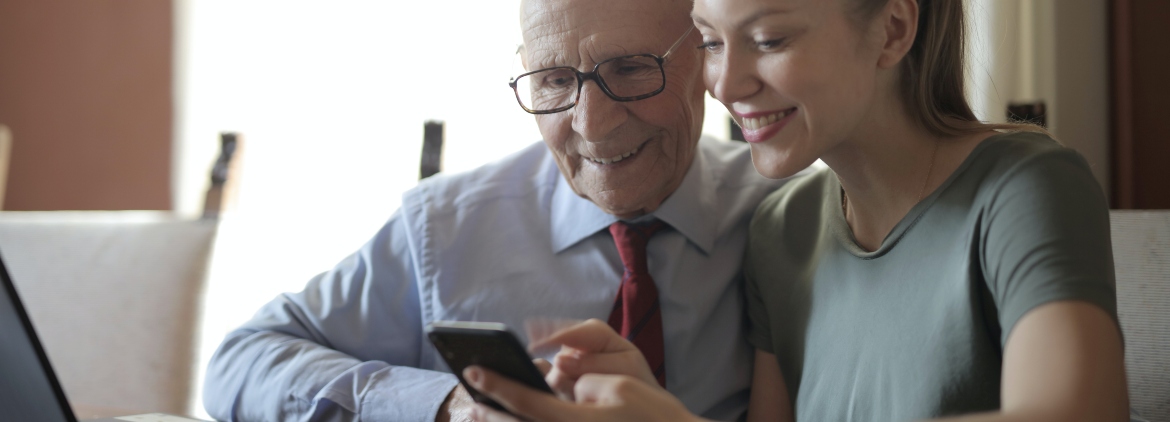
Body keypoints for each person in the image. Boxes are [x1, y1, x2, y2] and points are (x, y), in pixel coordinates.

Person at [466, 0, 1130, 421]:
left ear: (893, 28)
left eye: (769, 38)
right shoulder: (784, 227)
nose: (725, 84)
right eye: (712, 41)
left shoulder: (1025, 184)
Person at [201, 0, 791, 420]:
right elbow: (239, 363)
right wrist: (449, 408)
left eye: (632, 69)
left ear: (708, 58)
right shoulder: (445, 227)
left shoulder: (794, 220)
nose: (591, 124)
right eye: (555, 80)